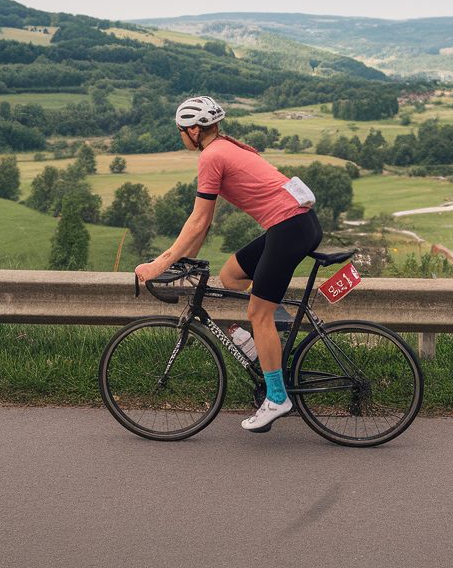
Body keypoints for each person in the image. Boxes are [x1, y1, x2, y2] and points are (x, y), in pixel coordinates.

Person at [134, 95, 323, 432]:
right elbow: (202, 225)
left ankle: (277, 397)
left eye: (181, 130)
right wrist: (187, 254)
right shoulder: (228, 147)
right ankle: (268, 343)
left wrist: (159, 264)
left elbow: (197, 220)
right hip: (297, 224)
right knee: (231, 274)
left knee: (257, 313)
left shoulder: (211, 156)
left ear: (193, 130)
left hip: (289, 228)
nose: (180, 135)